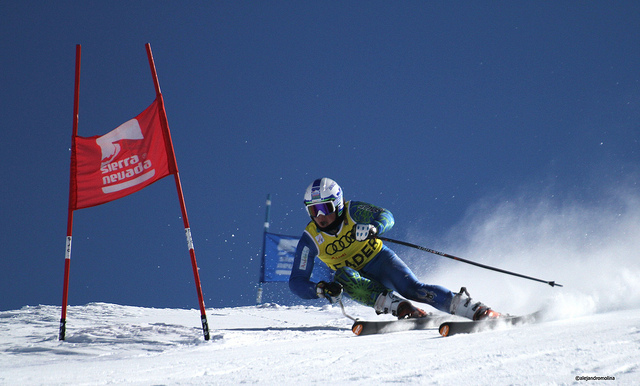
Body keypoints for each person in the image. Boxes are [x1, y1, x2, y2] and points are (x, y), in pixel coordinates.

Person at [289, 177, 501, 320]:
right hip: (357, 278)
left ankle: (475, 309)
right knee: (342, 276)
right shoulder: (311, 239)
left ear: (338, 204)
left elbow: (386, 215)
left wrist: (374, 227)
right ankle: (403, 309)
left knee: (413, 289)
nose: (320, 217)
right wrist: (320, 289)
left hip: (380, 261)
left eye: (325, 208)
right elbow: (296, 281)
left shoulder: (354, 211)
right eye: (313, 211)